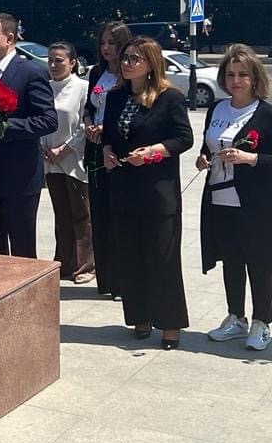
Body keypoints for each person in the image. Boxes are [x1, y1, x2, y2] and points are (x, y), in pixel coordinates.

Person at [102, 37, 192, 350]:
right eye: (125, 58)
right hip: (124, 187)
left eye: (134, 59)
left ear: (151, 63)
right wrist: (107, 150)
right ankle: (139, 317)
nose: (127, 64)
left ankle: (170, 324)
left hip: (157, 192)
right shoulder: (116, 96)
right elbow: (109, 135)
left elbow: (184, 138)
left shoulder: (169, 97)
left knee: (162, 258)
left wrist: (153, 152)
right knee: (131, 256)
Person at [197, 44, 272, 351]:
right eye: (230, 75)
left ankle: (262, 322)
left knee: (259, 263)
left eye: (243, 75)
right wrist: (203, 157)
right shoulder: (217, 108)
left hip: (254, 202)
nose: (236, 81)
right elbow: (208, 144)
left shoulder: (266, 114)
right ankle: (236, 317)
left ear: (254, 78)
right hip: (219, 197)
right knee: (231, 261)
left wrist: (249, 158)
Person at [0, 12, 57, 258]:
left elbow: (48, 120)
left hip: (19, 177)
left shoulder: (30, 72)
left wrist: (1, 128)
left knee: (22, 253)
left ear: (9, 38)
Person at [84, 21, 133, 298]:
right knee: (99, 213)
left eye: (112, 43)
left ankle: (122, 280)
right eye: (102, 43)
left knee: (118, 215)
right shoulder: (96, 73)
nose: (106, 48)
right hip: (94, 149)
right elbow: (88, 107)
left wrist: (107, 128)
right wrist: (89, 123)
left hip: (118, 151)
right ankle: (105, 280)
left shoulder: (129, 75)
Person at [42, 42, 94, 282]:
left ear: (72, 63)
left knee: (81, 215)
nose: (53, 65)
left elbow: (85, 124)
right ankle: (64, 262)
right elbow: (39, 118)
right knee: (61, 214)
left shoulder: (82, 88)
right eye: (50, 60)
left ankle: (86, 266)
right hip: (49, 160)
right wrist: (43, 147)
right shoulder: (45, 87)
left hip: (74, 159)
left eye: (59, 60)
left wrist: (64, 148)